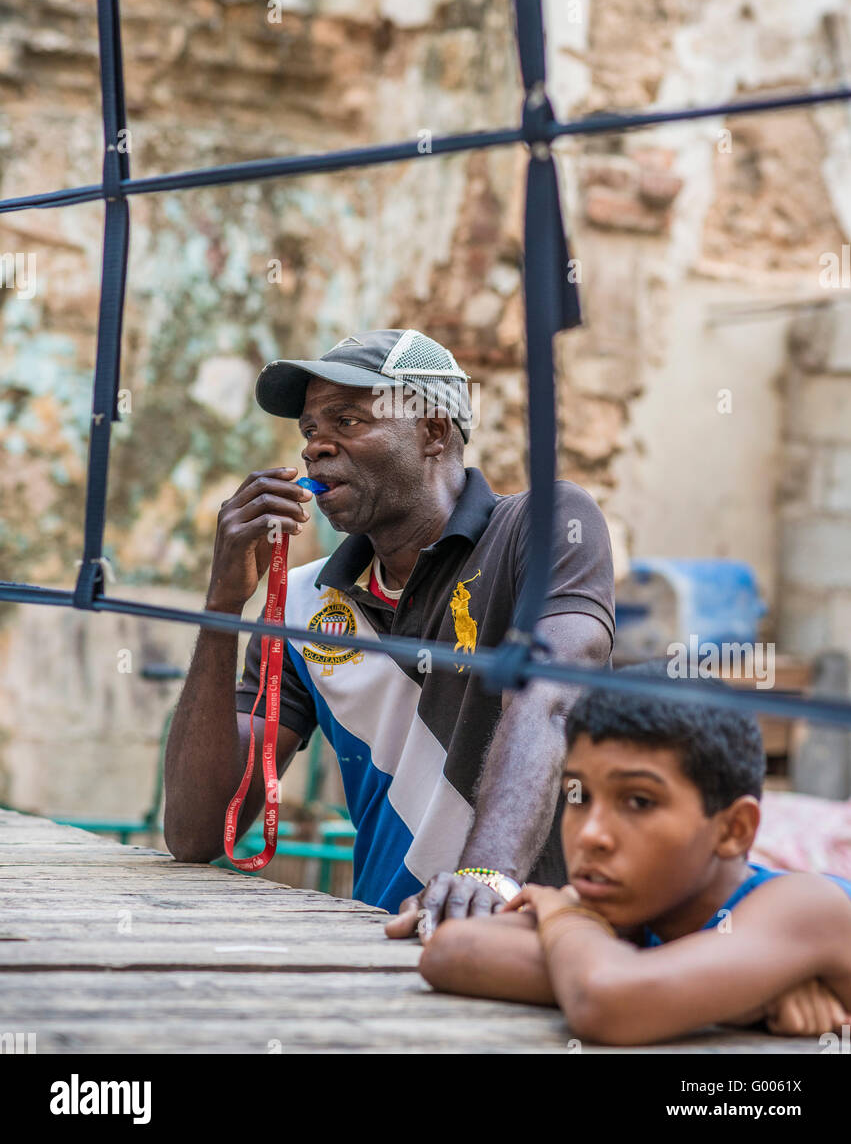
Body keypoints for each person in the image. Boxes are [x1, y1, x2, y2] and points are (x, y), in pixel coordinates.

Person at [163, 328, 615, 932]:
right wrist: (221, 605)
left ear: (432, 430)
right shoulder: (299, 603)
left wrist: (486, 881)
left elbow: (551, 698)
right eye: (309, 432)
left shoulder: (542, 526)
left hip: (533, 936)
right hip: (382, 940)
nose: (315, 449)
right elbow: (197, 832)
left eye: (346, 421)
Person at [419, 675, 851, 1042]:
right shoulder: (630, 903)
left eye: (640, 801)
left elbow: (605, 999)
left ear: (734, 829)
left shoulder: (807, 905)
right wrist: (730, 997)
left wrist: (563, 916)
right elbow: (452, 950)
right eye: (579, 795)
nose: (591, 834)